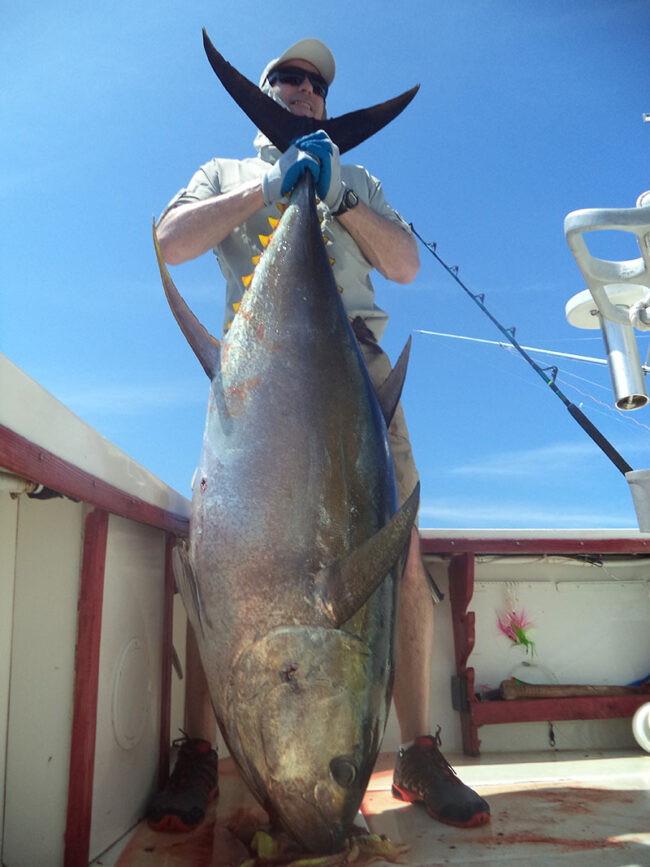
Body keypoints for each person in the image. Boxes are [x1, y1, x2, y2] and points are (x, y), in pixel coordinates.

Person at [147, 38, 490, 834]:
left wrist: (334, 196)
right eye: (288, 79)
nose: (304, 90)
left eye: (316, 85)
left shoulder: (359, 179)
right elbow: (170, 240)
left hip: (356, 381)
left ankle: (416, 753)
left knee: (397, 554)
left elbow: (403, 265)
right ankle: (198, 750)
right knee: (215, 557)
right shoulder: (222, 173)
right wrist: (268, 187)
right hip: (256, 376)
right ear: (266, 90)